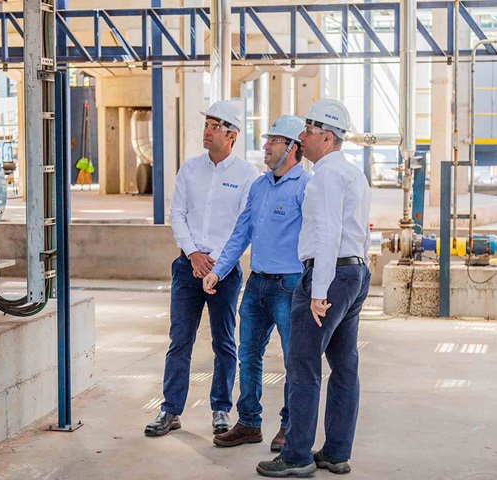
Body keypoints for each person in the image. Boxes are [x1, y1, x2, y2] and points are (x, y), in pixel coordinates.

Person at [256, 99, 372, 478]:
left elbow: (326, 235)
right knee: (343, 365)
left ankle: (297, 455)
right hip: (355, 274)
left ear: (326, 136)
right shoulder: (354, 175)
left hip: (329, 276)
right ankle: (336, 452)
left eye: (307, 131)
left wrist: (318, 290)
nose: (301, 137)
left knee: (303, 364)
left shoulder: (324, 176)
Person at [144, 100, 259, 438]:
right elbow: (176, 213)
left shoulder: (246, 175)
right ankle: (170, 409)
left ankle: (221, 409)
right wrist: (194, 255)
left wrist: (216, 265)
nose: (206, 132)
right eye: (206, 125)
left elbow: (243, 227)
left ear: (232, 135)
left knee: (224, 342)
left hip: (224, 272)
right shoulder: (190, 168)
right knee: (180, 340)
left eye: (214, 127)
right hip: (187, 268)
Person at [204, 116, 311, 452]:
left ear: (293, 148)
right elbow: (241, 233)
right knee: (248, 356)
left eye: (274, 141)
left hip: (290, 286)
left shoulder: (306, 188)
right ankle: (249, 422)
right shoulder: (260, 186)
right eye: (267, 140)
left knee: (294, 359)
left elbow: (319, 239)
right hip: (256, 285)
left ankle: (289, 426)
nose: (265, 147)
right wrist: (218, 270)